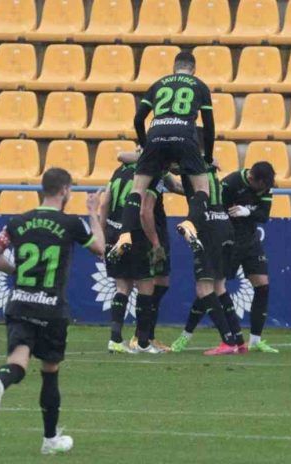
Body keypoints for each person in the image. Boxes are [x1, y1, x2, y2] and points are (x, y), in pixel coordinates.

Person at [0, 168, 104, 455]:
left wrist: (16, 270)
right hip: (51, 308)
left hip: (20, 302)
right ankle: (49, 439)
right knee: (50, 371)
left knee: (18, 363)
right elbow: (100, 247)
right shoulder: (70, 223)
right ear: (64, 191)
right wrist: (93, 213)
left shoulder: (18, 222)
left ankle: (0, 379)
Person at [108, 51, 216, 264]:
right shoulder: (199, 85)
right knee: (202, 189)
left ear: (174, 67)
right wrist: (209, 157)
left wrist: (145, 143)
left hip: (156, 134)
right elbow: (209, 126)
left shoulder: (159, 84)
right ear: (193, 69)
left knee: (137, 190)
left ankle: (124, 234)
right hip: (185, 135)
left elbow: (139, 119)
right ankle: (190, 224)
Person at [105, 149, 178, 353]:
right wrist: (155, 243)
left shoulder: (119, 172)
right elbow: (145, 212)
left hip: (113, 232)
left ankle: (115, 340)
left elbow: (103, 203)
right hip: (136, 233)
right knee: (146, 285)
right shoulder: (150, 175)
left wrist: (103, 235)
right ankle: (143, 342)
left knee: (122, 287)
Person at [171, 167, 247, 355]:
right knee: (218, 287)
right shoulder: (207, 165)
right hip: (224, 222)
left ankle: (227, 341)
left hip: (208, 226)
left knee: (204, 289)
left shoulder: (190, 162)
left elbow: (171, 172)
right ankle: (239, 340)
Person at [221, 162, 279, 353]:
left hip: (251, 241)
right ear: (253, 179)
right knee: (213, 288)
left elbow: (263, 216)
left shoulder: (266, 187)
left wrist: (248, 212)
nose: (265, 189)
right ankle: (189, 334)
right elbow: (218, 211)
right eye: (263, 185)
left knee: (262, 286)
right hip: (229, 240)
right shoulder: (230, 183)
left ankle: (255, 340)